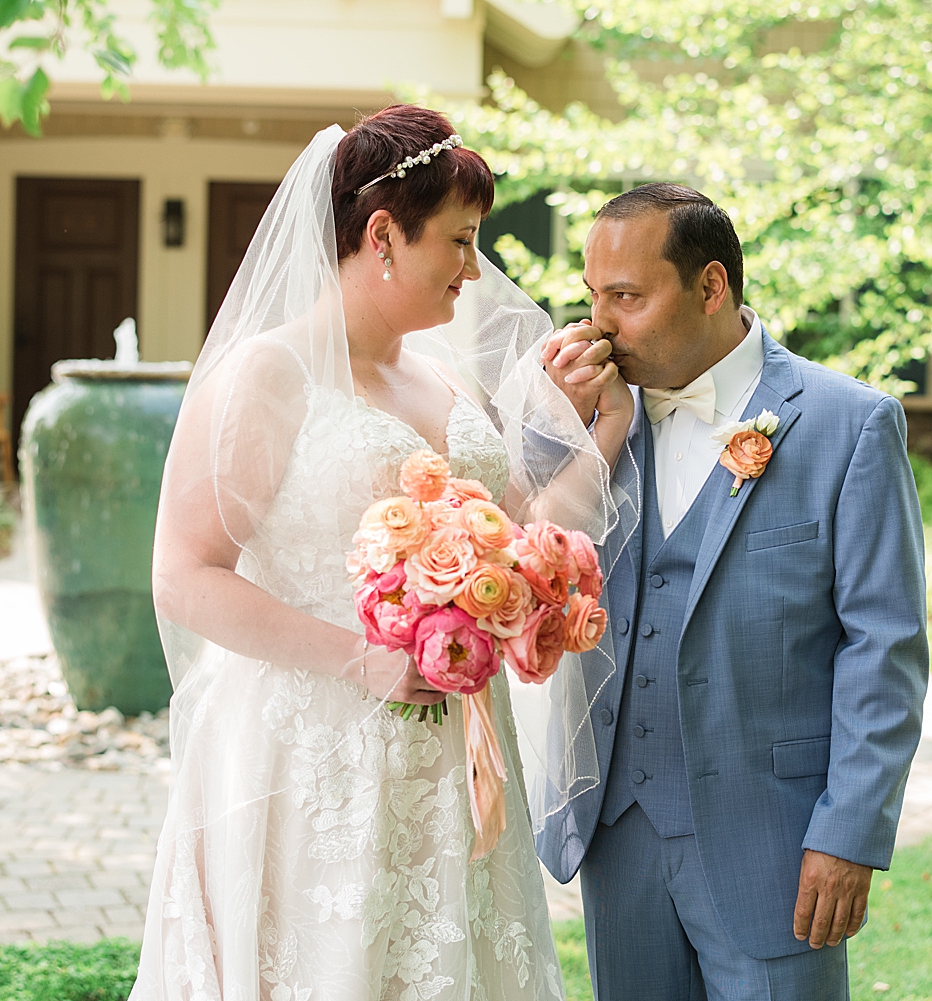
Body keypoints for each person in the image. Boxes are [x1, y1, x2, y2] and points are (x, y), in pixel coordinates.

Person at [132, 105, 631, 1001]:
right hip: (312, 753)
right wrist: (361, 661)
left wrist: (563, 424)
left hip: (454, 752)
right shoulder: (268, 375)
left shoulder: (437, 373)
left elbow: (501, 527)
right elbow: (183, 573)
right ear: (382, 235)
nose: (473, 268)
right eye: (460, 240)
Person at [537, 183, 929, 1001]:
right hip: (622, 833)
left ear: (710, 286)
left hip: (775, 842)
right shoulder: (599, 420)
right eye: (591, 297)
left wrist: (849, 830)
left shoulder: (849, 426)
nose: (598, 324)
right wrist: (569, 432)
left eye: (627, 297)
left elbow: (883, 648)